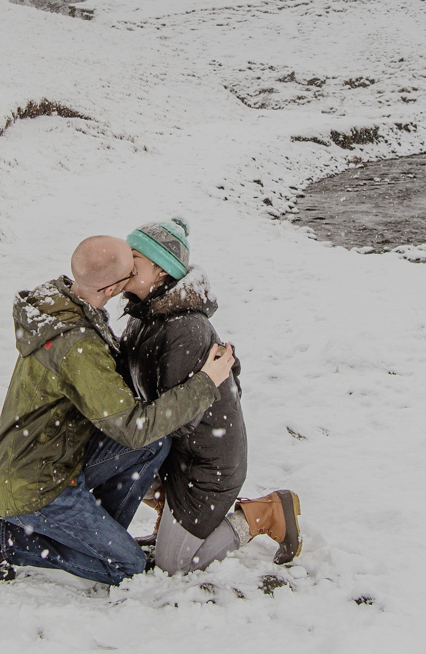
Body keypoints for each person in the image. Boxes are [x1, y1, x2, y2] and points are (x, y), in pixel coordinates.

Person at [0, 234, 237, 586]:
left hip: (53, 453)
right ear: (111, 289)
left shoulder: (65, 300)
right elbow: (133, 427)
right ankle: (3, 539)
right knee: (130, 568)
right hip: (37, 485)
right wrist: (204, 384)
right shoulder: (77, 348)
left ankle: (98, 535)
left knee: (154, 444)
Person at [119, 217, 302, 575]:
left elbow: (183, 420)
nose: (123, 263)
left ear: (159, 270)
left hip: (207, 466)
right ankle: (169, 513)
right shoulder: (143, 316)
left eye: (134, 257)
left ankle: (264, 514)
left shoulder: (185, 328)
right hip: (175, 452)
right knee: (116, 454)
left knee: (176, 563)